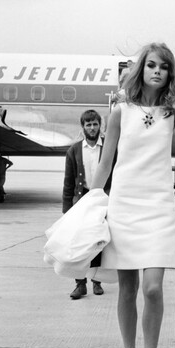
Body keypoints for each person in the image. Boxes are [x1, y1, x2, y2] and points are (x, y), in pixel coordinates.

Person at [90, 42, 175, 348]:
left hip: (157, 207)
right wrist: (93, 205)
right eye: (152, 65)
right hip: (124, 206)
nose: (157, 71)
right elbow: (106, 163)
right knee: (126, 289)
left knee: (153, 288)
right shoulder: (120, 111)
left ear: (171, 74)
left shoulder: (172, 115)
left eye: (165, 67)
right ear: (141, 69)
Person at [62, 109, 112, 300]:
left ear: (100, 126)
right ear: (83, 127)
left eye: (95, 124)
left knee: (98, 242)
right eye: (88, 125)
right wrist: (66, 210)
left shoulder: (109, 147)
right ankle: (79, 284)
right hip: (80, 202)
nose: (92, 128)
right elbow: (68, 182)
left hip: (102, 200)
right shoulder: (74, 150)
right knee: (79, 244)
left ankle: (96, 281)